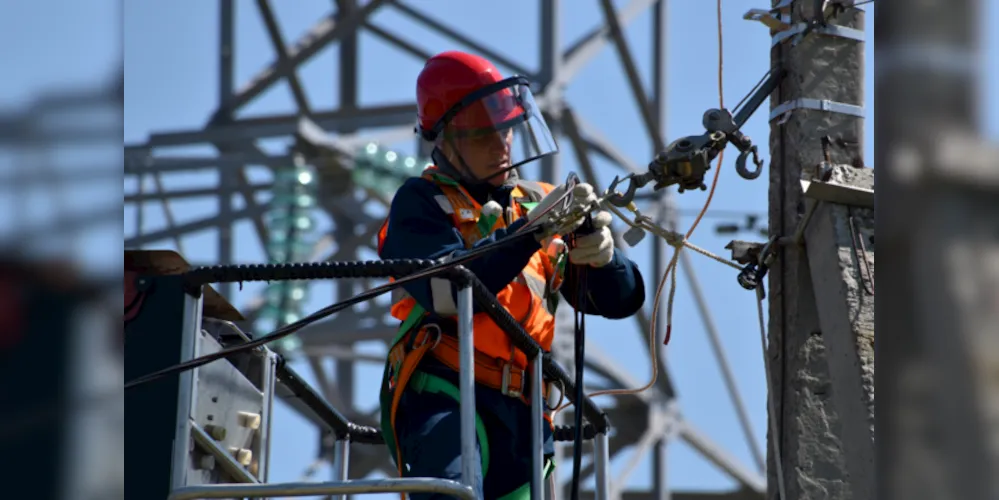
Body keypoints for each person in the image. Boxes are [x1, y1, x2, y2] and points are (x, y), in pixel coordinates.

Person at [377, 50, 645, 500]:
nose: (501, 145)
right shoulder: (422, 202)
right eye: (484, 136)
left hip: (523, 414)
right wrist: (530, 234)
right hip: (449, 389)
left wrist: (604, 257)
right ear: (447, 142)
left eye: (505, 132)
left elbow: (619, 301)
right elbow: (447, 294)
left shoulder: (534, 203)